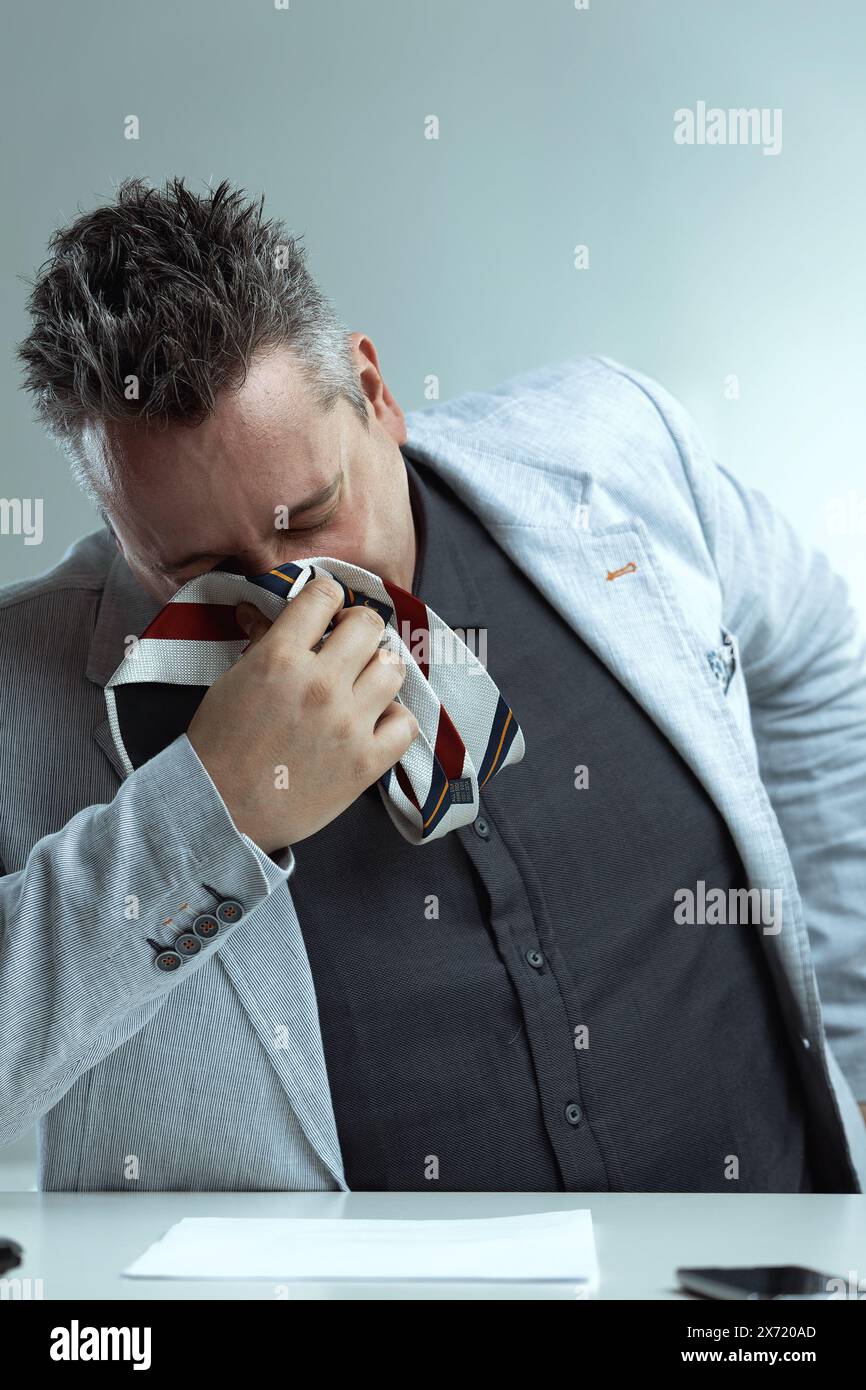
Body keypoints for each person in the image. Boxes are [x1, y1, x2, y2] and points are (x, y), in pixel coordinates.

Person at [4, 177, 865, 1193]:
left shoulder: (611, 454)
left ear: (373, 391)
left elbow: (814, 663)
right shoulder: (26, 681)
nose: (286, 590)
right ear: (114, 516)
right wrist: (213, 812)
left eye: (309, 514)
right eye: (193, 568)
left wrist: (853, 1037)